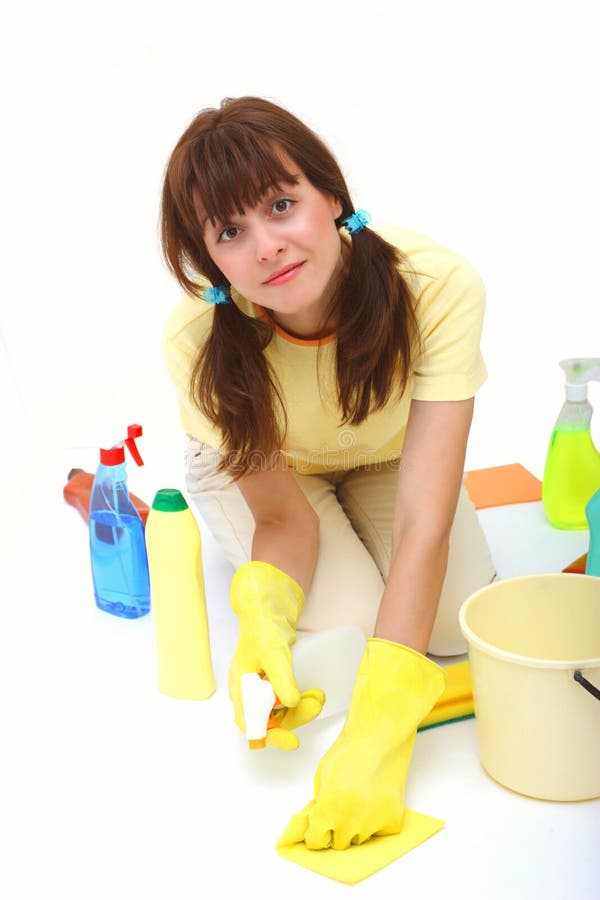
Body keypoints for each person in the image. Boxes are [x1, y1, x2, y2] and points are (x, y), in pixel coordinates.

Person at [160, 96, 496, 850]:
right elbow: (283, 518)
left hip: (387, 456)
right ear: (208, 259)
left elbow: (424, 520)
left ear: (332, 195)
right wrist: (265, 611)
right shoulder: (194, 339)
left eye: (282, 205)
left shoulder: (438, 287)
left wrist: (382, 730)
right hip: (275, 475)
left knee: (454, 628)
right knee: (349, 631)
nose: (268, 247)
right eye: (230, 232)